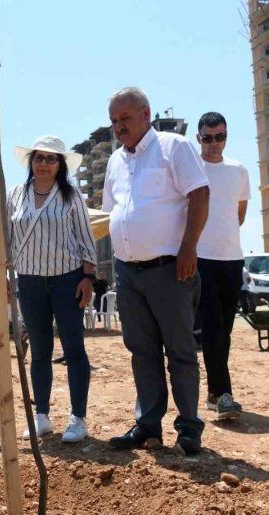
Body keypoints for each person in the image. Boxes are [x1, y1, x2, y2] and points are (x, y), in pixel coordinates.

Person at [102, 87, 210, 455]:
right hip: (128, 272)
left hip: (171, 268)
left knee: (179, 350)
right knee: (141, 350)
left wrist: (189, 248)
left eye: (125, 119)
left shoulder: (173, 147)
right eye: (114, 121)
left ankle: (189, 428)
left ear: (145, 114)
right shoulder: (115, 161)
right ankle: (148, 425)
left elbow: (199, 194)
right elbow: (111, 212)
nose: (119, 127)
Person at [7, 135, 98, 443]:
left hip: (67, 279)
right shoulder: (16, 195)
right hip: (30, 281)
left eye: (51, 158)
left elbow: (86, 238)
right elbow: (8, 237)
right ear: (31, 162)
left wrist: (88, 278)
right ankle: (42, 415)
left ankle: (78, 417)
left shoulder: (72, 197)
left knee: (74, 349)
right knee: (40, 351)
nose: (44, 164)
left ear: (60, 165)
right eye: (39, 158)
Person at [194, 112, 250, 421]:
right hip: (201, 258)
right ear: (198, 138)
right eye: (208, 137)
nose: (215, 143)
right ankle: (224, 394)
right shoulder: (192, 168)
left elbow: (239, 214)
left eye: (220, 137)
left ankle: (215, 393)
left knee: (224, 331)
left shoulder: (238, 170)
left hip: (232, 258)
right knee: (214, 325)